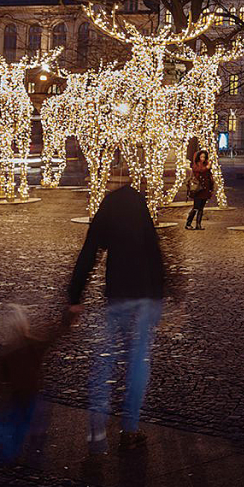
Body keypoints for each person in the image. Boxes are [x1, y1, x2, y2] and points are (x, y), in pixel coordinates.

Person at [68, 182, 166, 453]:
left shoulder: (108, 206)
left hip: (118, 294)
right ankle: (130, 427)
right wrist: (160, 294)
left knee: (106, 361)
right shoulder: (140, 205)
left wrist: (75, 296)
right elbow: (154, 250)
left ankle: (97, 432)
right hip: (144, 295)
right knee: (137, 363)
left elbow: (89, 252)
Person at [0, 303, 71, 464]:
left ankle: (9, 456)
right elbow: (54, 336)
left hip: (16, 394)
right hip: (33, 392)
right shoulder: (32, 343)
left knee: (16, 425)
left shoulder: (5, 352)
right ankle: (33, 456)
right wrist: (67, 317)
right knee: (34, 424)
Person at [186, 149, 214, 230]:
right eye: (201, 157)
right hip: (198, 190)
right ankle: (188, 223)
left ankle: (198, 224)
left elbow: (209, 177)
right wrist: (206, 167)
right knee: (195, 207)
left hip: (205, 189)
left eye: (204, 157)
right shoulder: (196, 165)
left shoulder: (207, 165)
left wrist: (211, 189)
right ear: (198, 157)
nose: (203, 159)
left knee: (201, 208)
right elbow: (199, 171)